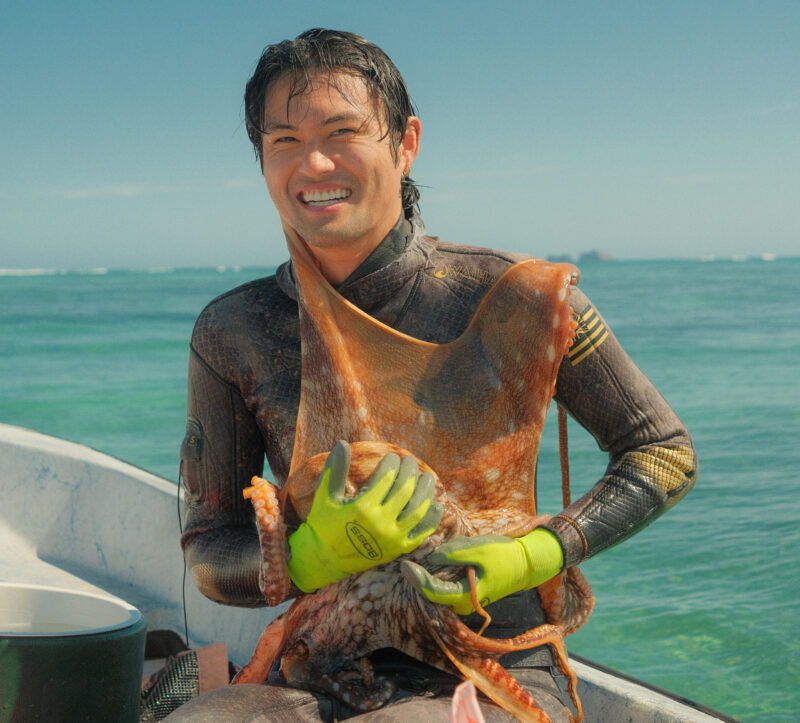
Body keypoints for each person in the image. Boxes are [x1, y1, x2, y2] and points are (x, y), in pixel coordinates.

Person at [174, 28, 697, 722]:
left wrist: (539, 552)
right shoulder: (232, 330)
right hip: (324, 663)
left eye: (342, 131)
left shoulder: (526, 300)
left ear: (405, 141)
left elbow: (662, 451)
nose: (315, 162)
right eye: (284, 142)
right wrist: (305, 558)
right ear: (263, 161)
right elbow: (210, 548)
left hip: (492, 658)